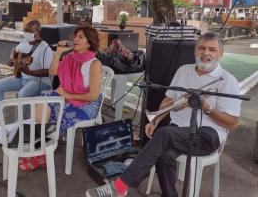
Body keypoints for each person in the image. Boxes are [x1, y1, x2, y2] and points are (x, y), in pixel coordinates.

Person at [86, 32, 241, 197]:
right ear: (195, 50)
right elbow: (168, 100)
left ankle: (121, 185)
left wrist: (207, 107)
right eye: (202, 48)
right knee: (164, 154)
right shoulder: (183, 70)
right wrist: (156, 120)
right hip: (178, 130)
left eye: (212, 49)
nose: (206, 53)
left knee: (164, 134)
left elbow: (233, 123)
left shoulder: (227, 80)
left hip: (207, 135)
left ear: (220, 54)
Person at [19, 24, 103, 171]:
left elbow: (93, 95)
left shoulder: (94, 64)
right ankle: (41, 148)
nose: (75, 39)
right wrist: (58, 52)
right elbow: (52, 71)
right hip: (66, 97)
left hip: (85, 105)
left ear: (89, 42)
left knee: (53, 115)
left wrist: (67, 94)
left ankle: (40, 149)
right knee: (41, 104)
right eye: (75, 36)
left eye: (80, 37)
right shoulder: (70, 57)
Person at [0, 19, 54, 123]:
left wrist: (29, 72)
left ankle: (20, 125)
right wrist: (12, 61)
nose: (26, 33)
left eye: (29, 31)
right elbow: (14, 53)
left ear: (37, 32)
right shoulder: (23, 43)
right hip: (22, 78)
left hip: (40, 82)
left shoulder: (45, 48)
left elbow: (49, 71)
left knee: (23, 94)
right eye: (25, 30)